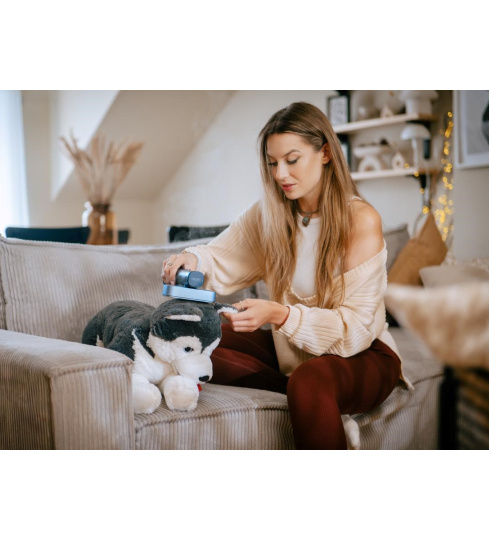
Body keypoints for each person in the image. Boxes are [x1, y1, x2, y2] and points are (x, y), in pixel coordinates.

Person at [161, 101, 410, 450]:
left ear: (325, 153)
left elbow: (353, 332)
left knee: (310, 380)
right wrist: (193, 259)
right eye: (273, 162)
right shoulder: (270, 213)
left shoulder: (361, 220)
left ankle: (309, 396)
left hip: (363, 355)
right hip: (292, 351)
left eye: (292, 160)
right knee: (184, 334)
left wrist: (280, 315)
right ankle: (313, 404)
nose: (280, 174)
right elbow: (222, 255)